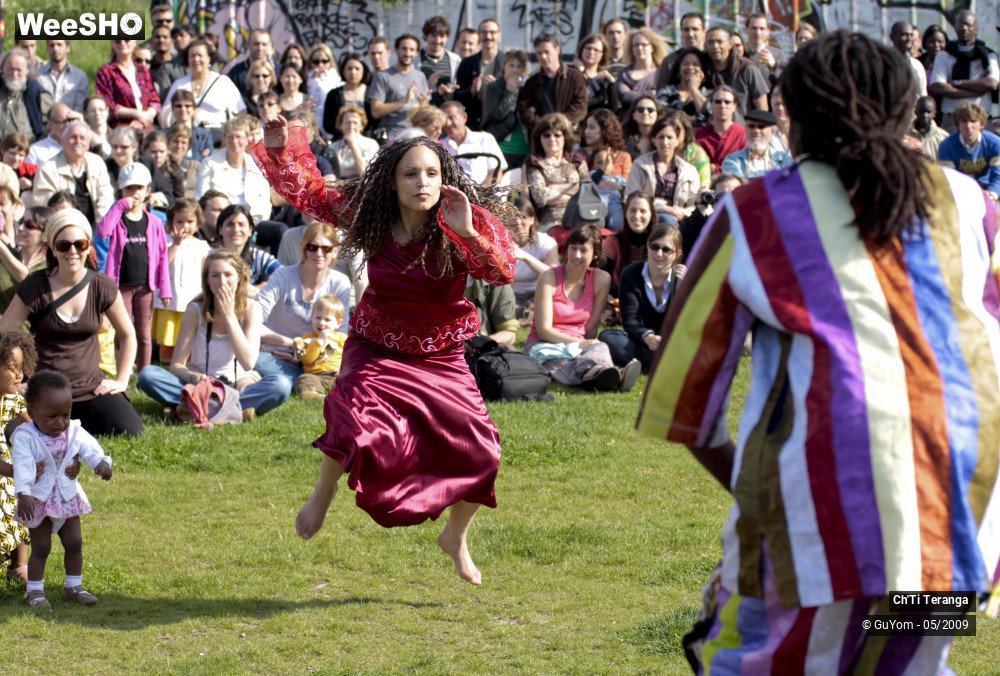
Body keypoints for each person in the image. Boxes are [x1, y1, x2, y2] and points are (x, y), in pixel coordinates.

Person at [637, 30, 1000, 672]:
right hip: (968, 514)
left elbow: (682, 402)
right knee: (907, 662)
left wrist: (763, 497)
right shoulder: (972, 203)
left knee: (760, 660)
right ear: (906, 111)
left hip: (826, 509)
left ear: (796, 119)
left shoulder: (754, 212)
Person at [250, 114, 516, 585]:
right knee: (353, 416)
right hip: (378, 345)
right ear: (392, 182)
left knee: (484, 452)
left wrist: (468, 233)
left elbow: (501, 272)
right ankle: (323, 493)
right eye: (410, 174)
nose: (422, 182)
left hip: (439, 354)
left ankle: (455, 537)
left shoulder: (462, 218)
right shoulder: (370, 215)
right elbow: (310, 192)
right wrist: (279, 149)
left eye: (431, 173)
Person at [1, 209, 141, 436]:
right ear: (53, 249)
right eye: (64, 245)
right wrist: (16, 382)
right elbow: (4, 336)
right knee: (15, 432)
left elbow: (128, 335)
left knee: (129, 429)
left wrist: (122, 380)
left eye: (80, 244)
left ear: (88, 246)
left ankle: (68, 424)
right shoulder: (35, 286)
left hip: (90, 389)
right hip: (42, 390)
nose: (72, 251)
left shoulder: (102, 285)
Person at [136, 249, 290, 421]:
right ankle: (230, 408)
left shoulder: (251, 308)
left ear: (239, 278)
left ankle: (194, 407)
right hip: (200, 383)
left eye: (228, 275)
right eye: (215, 276)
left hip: (240, 384)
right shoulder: (195, 309)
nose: (222, 282)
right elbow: (176, 365)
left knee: (281, 385)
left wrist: (229, 317)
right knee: (148, 375)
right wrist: (193, 376)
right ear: (207, 281)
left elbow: (248, 363)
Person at [14, 370, 113, 608]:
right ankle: (34, 591)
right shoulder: (25, 436)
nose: (60, 422)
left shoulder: (74, 430)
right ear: (32, 412)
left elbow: (88, 448)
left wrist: (100, 463)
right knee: (41, 547)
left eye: (65, 414)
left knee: (74, 542)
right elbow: (22, 465)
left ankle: (74, 586)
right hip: (38, 500)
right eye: (52, 416)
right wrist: (23, 493)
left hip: (67, 497)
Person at [525, 224, 640, 392]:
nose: (576, 255)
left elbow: (591, 329)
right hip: (545, 344)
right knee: (559, 360)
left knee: (600, 347)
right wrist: (581, 343)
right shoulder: (549, 277)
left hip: (579, 345)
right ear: (566, 250)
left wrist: (583, 345)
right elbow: (544, 331)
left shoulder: (601, 279)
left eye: (584, 250)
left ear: (595, 255)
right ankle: (603, 375)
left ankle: (598, 373)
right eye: (573, 248)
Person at [252, 221, 350, 396]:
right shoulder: (282, 275)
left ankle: (303, 382)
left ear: (335, 251)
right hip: (277, 354)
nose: (319, 253)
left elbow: (340, 333)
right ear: (303, 248)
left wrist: (305, 357)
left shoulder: (340, 282)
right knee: (270, 369)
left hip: (317, 361)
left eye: (326, 248)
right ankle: (304, 383)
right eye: (312, 247)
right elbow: (252, 322)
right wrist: (294, 345)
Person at [95, 163, 173, 370]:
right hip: (121, 286)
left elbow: (162, 256)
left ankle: (145, 372)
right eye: (129, 188)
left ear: (148, 190)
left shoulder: (155, 222)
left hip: (145, 287)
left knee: (144, 333)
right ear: (121, 190)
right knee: (123, 330)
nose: (135, 193)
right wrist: (119, 206)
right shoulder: (117, 218)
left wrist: (165, 289)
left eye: (139, 187)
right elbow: (102, 232)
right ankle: (124, 369)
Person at [599, 223, 684, 371]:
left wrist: (682, 289)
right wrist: (648, 337)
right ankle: (665, 363)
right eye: (654, 247)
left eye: (666, 249)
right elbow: (630, 320)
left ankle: (648, 362)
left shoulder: (683, 278)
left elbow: (689, 323)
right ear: (647, 246)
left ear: (677, 254)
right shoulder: (630, 274)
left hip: (673, 342)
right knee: (608, 338)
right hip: (642, 341)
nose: (659, 253)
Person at [155, 198, 210, 364]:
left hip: (191, 300)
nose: (185, 226)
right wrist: (176, 245)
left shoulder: (202, 246)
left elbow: (206, 270)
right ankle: (165, 363)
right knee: (168, 337)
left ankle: (187, 364)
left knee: (190, 337)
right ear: (171, 222)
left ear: (198, 224)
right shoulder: (166, 241)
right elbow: (161, 265)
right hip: (170, 301)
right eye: (180, 221)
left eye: (190, 221)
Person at [0, 330, 36, 584]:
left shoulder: (13, 400)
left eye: (21, 368)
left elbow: (32, 429)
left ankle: (18, 567)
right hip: (4, 467)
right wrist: (11, 470)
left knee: (18, 508)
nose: (19, 374)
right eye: (12, 368)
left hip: (6, 465)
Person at [32, 121, 115, 225]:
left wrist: (102, 227)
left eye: (82, 138)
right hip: (63, 227)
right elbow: (46, 207)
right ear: (63, 141)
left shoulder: (97, 163)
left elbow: (105, 197)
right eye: (73, 137)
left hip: (97, 226)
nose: (78, 141)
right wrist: (73, 228)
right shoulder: (47, 169)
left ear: (88, 144)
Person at [929, 10, 999, 130]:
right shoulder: (944, 55)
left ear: (976, 28)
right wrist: (975, 92)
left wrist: (957, 83)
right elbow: (938, 87)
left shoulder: (988, 56)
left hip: (981, 120)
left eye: (969, 25)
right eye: (961, 24)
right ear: (955, 27)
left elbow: (991, 84)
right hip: (952, 120)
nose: (965, 28)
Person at [195, 116, 272, 224]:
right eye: (230, 137)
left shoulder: (257, 165)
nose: (234, 141)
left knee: (279, 229)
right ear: (224, 139)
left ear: (247, 139)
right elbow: (201, 198)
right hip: (222, 222)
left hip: (255, 221)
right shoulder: (209, 164)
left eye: (238, 137)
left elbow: (265, 201)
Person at [625, 117, 699, 224]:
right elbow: (632, 196)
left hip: (679, 220)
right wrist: (664, 208)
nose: (665, 142)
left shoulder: (689, 171)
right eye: (661, 137)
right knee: (665, 219)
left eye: (669, 137)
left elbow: (693, 206)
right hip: (645, 218)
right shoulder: (640, 165)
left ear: (677, 141)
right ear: (654, 140)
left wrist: (680, 213)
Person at [160, 39, 246, 131]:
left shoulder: (223, 82)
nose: (196, 59)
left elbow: (241, 111)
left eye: (200, 55)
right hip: (187, 134)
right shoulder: (179, 84)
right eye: (192, 56)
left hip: (218, 133)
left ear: (209, 58)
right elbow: (164, 115)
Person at [524, 113, 588, 232]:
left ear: (565, 137)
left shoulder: (577, 161)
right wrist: (574, 191)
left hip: (580, 218)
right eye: (546, 135)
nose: (552, 139)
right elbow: (540, 197)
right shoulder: (535, 163)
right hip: (550, 222)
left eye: (557, 135)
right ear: (539, 138)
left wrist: (553, 187)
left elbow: (587, 191)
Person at [368, 34, 430, 142]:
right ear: (397, 50)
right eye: (404, 49)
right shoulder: (382, 76)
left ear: (417, 52)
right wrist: (404, 101)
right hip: (392, 137)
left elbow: (424, 111)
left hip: (417, 135)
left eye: (412, 50)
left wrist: (424, 104)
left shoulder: (420, 76)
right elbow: (375, 111)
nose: (407, 53)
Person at [580, 108, 631, 231]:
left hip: (617, 203)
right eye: (586, 127)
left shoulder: (624, 156)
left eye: (592, 127)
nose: (586, 131)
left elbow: (628, 187)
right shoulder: (580, 156)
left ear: (605, 130)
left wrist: (617, 187)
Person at [937, 102, 1000, 199]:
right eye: (964, 121)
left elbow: (998, 176)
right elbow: (949, 178)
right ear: (958, 124)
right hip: (960, 193)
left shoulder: (995, 143)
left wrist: (991, 194)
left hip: (987, 190)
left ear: (982, 124)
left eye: (973, 121)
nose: (968, 126)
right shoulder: (946, 146)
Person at [704, 27, 770, 119]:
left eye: (720, 42)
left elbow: (762, 108)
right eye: (711, 42)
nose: (715, 46)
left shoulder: (747, 68)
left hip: (743, 126)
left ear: (730, 44)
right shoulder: (702, 69)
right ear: (705, 45)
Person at [95, 39, 161, 131]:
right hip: (120, 128)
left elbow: (155, 100)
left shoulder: (142, 70)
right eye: (117, 41)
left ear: (134, 42)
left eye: (127, 40)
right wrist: (137, 114)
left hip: (146, 125)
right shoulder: (106, 72)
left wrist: (145, 118)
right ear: (112, 44)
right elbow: (107, 105)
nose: (122, 43)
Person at [292, 293, 348, 400]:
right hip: (315, 375)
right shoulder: (307, 338)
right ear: (312, 318)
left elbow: (350, 356)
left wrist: (344, 369)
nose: (321, 322)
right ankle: (314, 394)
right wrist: (319, 341)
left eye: (327, 320)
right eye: (318, 318)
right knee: (304, 379)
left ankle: (349, 395)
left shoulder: (342, 338)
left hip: (337, 375)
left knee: (354, 379)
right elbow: (307, 360)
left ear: (338, 323)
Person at [482, 50, 531, 169]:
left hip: (524, 146)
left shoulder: (528, 87)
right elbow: (498, 114)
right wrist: (509, 92)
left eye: (519, 66)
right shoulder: (494, 87)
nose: (515, 70)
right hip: (502, 145)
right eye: (511, 65)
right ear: (504, 66)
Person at [454, 19, 505, 131]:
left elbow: (514, 97)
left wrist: (497, 87)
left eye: (492, 32)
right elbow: (456, 98)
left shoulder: (508, 63)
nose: (488, 36)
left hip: (500, 127)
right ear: (479, 36)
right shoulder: (467, 63)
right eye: (484, 32)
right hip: (473, 128)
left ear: (499, 36)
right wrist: (471, 90)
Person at [215, 204, 280, 290]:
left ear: (250, 230)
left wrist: (267, 287)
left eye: (241, 224)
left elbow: (284, 275)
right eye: (230, 224)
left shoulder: (257, 257)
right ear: (220, 229)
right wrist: (256, 291)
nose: (236, 230)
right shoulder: (210, 257)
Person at [509, 199, 558, 314]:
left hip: (537, 292)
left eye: (523, 217)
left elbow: (556, 275)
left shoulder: (545, 242)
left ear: (532, 219)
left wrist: (525, 257)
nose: (518, 221)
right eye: (513, 217)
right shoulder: (500, 243)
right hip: (509, 294)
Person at [441, 100, 507, 185]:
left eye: (451, 118)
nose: (447, 123)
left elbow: (496, 172)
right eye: (444, 119)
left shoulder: (484, 139)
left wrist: (479, 191)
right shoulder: (441, 146)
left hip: (483, 191)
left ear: (464, 117)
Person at [602, 190, 655, 290]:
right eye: (633, 210)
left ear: (651, 215)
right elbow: (603, 277)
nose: (637, 216)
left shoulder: (659, 243)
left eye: (643, 211)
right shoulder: (613, 241)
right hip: (617, 294)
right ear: (625, 213)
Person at [0, 206, 51, 310]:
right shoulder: (6, 254)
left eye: (29, 225)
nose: (20, 227)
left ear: (45, 235)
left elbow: (29, 280)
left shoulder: (51, 268)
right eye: (21, 221)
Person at [721, 109, 793, 180]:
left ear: (772, 132)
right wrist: (775, 177)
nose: (756, 131)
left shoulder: (784, 159)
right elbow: (736, 185)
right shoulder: (732, 160)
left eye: (761, 127)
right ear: (745, 130)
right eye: (751, 126)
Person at [0, 50, 52, 143]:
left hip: (27, 150)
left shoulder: (36, 93)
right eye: (10, 69)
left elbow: (51, 125)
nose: (14, 74)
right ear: (2, 70)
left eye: (18, 70)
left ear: (27, 71)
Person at [656, 47, 713, 128]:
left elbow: (710, 114)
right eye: (686, 64)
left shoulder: (709, 94)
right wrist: (688, 119)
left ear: (702, 71)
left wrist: (693, 89)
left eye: (695, 64)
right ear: (679, 69)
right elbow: (661, 113)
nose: (690, 67)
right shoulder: (667, 91)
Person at [696, 86, 747, 173]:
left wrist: (715, 168)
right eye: (718, 102)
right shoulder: (700, 135)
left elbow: (745, 165)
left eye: (727, 102)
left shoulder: (743, 135)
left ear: (734, 106)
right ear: (711, 105)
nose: (722, 106)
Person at [615, 28, 666, 113]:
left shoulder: (661, 72)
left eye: (644, 44)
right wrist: (650, 94)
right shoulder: (624, 73)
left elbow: (661, 97)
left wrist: (633, 93)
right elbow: (625, 96)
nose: (639, 48)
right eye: (636, 45)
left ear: (652, 47)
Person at [321, 53, 371, 140]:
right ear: (343, 71)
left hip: (367, 140)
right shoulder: (333, 94)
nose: (353, 72)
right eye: (349, 68)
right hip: (341, 140)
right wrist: (346, 130)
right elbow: (327, 124)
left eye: (357, 68)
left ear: (364, 71)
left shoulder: (372, 92)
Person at [35, 40, 89, 114]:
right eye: (52, 45)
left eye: (59, 45)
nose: (55, 48)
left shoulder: (80, 77)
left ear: (67, 48)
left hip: (71, 120)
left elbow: (80, 109)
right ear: (47, 48)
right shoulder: (37, 76)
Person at [418, 16, 461, 106]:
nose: (437, 41)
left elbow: (458, 86)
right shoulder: (416, 58)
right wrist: (429, 86)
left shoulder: (455, 60)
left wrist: (450, 90)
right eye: (434, 36)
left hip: (446, 109)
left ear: (447, 37)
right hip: (423, 109)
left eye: (442, 36)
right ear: (426, 36)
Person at [577, 34, 619, 116]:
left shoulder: (606, 78)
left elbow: (613, 109)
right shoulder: (572, 73)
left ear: (602, 54)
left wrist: (612, 83)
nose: (591, 52)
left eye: (596, 50)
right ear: (582, 50)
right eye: (588, 48)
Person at [890, 21, 928, 98]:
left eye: (911, 35)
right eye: (904, 35)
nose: (909, 38)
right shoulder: (883, 62)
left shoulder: (917, 65)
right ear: (892, 37)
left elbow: (922, 95)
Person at [907, 95, 949, 160]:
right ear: (915, 112)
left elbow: (947, 162)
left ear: (934, 114)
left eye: (928, 112)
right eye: (921, 111)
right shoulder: (904, 134)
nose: (924, 115)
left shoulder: (943, 137)